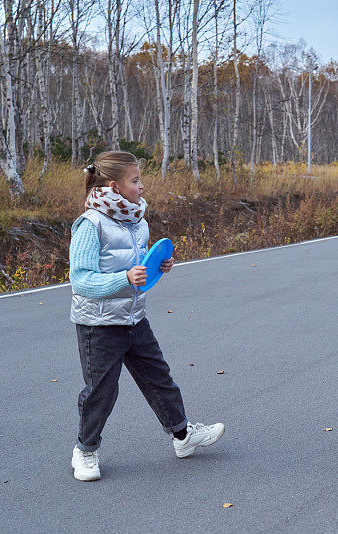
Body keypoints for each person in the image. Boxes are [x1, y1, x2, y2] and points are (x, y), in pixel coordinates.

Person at [68, 150, 224, 481]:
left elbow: (140, 269)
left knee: (159, 378)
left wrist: (159, 266)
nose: (142, 186)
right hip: (98, 324)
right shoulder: (90, 224)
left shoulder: (139, 222)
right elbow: (81, 280)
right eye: (135, 180)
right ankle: (85, 451)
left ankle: (183, 437)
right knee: (101, 391)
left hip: (134, 318)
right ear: (114, 185)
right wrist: (123, 279)